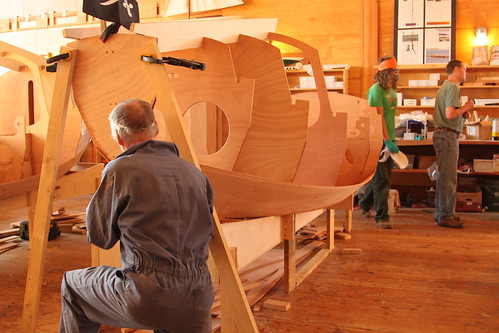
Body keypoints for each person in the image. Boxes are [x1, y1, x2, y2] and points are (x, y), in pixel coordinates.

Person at [59, 99, 215, 333]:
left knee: (73, 286)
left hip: (149, 296)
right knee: (170, 314)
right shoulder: (195, 173)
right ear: (156, 128)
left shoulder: (119, 170)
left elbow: (101, 237)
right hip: (199, 297)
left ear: (118, 136)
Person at [358, 56, 400, 229]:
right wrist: (387, 140)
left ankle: (364, 204)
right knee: (383, 180)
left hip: (389, 137)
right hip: (378, 140)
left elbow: (390, 117)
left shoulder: (391, 90)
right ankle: (382, 217)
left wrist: (392, 137)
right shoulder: (376, 90)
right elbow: (378, 118)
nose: (397, 73)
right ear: (385, 72)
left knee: (380, 177)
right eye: (393, 70)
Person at [433, 60, 474, 228]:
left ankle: (442, 213)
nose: (466, 73)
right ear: (456, 69)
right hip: (448, 136)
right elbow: (450, 114)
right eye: (464, 70)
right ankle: (445, 215)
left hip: (444, 135)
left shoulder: (444, 87)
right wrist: (467, 106)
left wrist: (462, 112)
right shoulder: (453, 87)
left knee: (444, 177)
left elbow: (451, 112)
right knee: (449, 178)